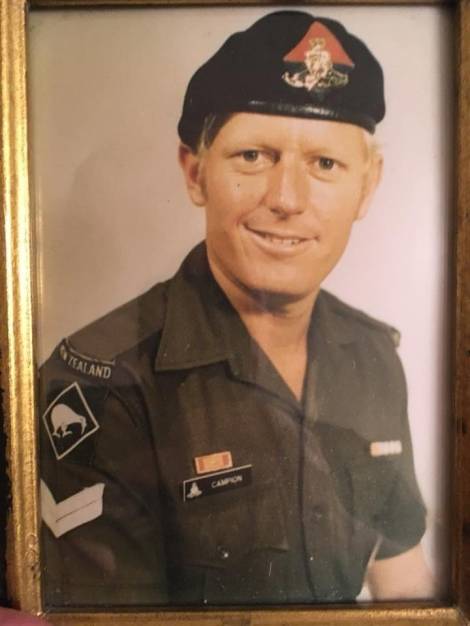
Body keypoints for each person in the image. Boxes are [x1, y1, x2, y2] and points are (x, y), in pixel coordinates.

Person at [39, 10, 433, 608]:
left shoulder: (374, 356)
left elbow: (403, 577)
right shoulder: (102, 388)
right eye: (253, 156)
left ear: (368, 186)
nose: (287, 199)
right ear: (195, 173)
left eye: (325, 164)